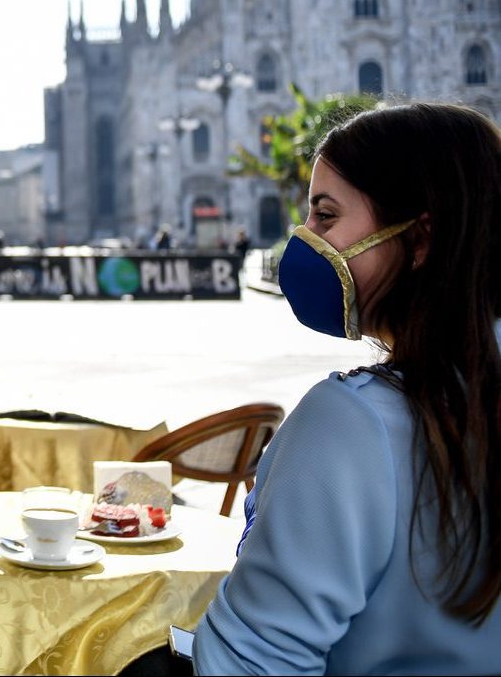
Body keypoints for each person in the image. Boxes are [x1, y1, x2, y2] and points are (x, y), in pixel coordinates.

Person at [193, 103, 501, 674]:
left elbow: (251, 662)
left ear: (421, 239)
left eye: (326, 216)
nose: (305, 239)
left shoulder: (351, 423)